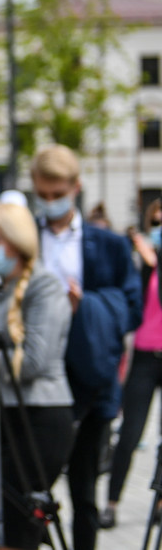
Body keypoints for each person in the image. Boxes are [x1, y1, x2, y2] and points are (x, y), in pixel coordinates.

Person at [29, 145, 141, 550]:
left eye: (58, 193)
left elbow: (132, 308)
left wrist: (87, 307)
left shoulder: (108, 245)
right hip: (36, 381)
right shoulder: (24, 238)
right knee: (31, 491)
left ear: (76, 187)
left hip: (90, 381)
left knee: (83, 492)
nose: (50, 202)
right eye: (43, 193)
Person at [0, 202, 74, 550]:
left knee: (19, 524)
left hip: (40, 415)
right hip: (0, 413)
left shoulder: (44, 286)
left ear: (17, 239)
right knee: (8, 521)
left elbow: (34, 364)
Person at [102, 198, 162, 528]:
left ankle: (159, 502)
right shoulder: (140, 266)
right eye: (155, 224)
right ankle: (111, 503)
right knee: (129, 434)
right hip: (143, 355)